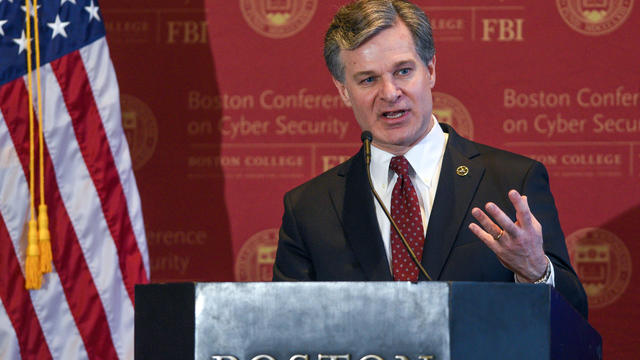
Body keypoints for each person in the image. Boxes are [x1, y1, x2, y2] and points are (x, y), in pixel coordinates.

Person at [272, 0, 588, 318]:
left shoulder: (511, 182)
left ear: (431, 70)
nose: (390, 92)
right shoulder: (309, 209)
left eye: (403, 71)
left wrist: (535, 272)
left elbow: (574, 322)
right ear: (343, 91)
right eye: (368, 79)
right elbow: (285, 333)